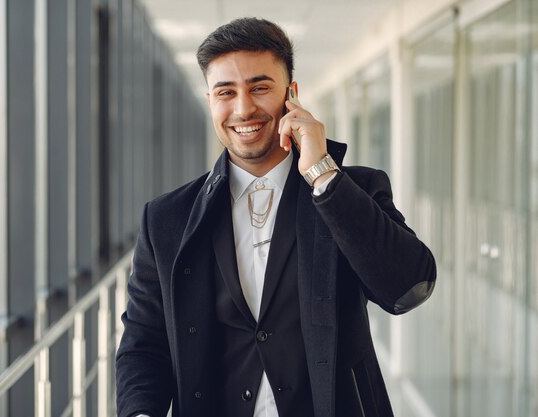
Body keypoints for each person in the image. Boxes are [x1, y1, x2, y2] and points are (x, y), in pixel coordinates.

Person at [115, 17, 436, 417]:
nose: (243, 108)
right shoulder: (166, 219)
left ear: (292, 94)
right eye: (226, 92)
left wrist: (322, 172)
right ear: (210, 100)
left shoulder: (352, 190)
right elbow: (143, 343)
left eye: (260, 87)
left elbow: (409, 287)